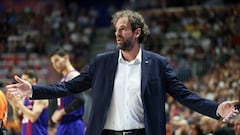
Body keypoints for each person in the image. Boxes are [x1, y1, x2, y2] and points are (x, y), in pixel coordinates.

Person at [6, 9, 239, 135]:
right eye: (116, 29)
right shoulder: (102, 62)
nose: (117, 33)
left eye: (123, 29)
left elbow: (184, 95)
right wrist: (33, 90)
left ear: (137, 33)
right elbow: (67, 87)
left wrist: (216, 108)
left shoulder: (157, 64)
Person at [49, 48, 85, 135]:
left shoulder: (74, 76)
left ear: (65, 58)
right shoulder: (63, 79)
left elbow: (80, 99)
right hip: (64, 125)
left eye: (57, 60)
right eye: (53, 63)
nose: (55, 65)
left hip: (73, 125)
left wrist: (61, 112)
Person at [8, 70, 49, 135]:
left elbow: (33, 118)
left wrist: (19, 103)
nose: (22, 83)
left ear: (33, 80)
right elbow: (17, 121)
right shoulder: (25, 98)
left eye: (25, 80)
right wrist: (14, 105)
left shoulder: (40, 95)